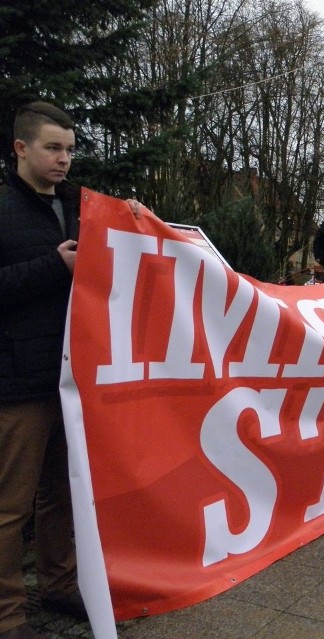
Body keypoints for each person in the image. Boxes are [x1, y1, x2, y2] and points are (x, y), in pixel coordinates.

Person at [0, 102, 89, 639]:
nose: (64, 160)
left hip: (72, 380)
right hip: (17, 385)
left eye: (70, 150)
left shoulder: (79, 207)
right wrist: (54, 265)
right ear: (20, 148)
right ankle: (7, 616)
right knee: (10, 509)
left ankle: (60, 585)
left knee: (63, 494)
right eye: (53, 148)